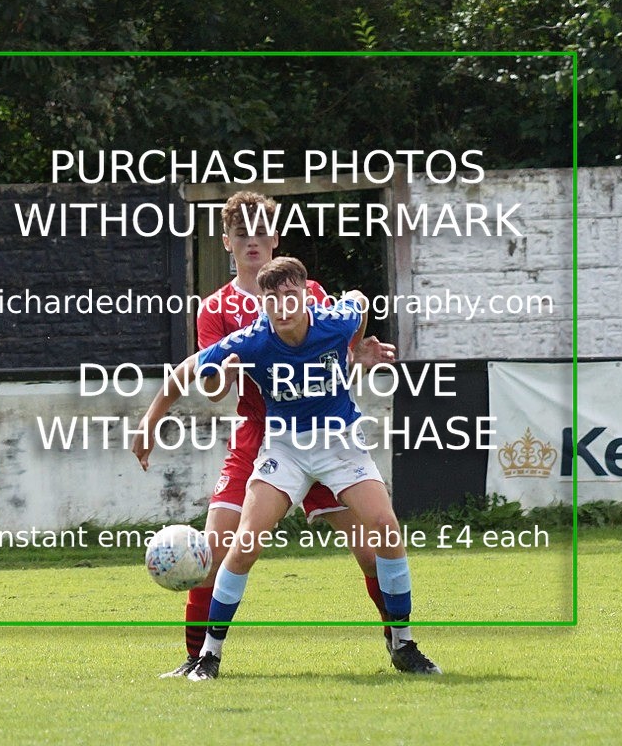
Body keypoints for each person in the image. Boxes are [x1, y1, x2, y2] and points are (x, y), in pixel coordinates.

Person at [133, 191, 397, 677]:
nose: (252, 241)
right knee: (213, 553)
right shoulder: (217, 309)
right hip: (261, 437)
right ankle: (197, 661)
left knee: (369, 550)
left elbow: (333, 359)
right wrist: (214, 383)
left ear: (275, 238)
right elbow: (211, 389)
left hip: (323, 432)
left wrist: (356, 355)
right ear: (227, 242)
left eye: (260, 232)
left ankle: (400, 642)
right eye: (241, 233)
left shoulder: (309, 292)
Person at [186, 256, 441, 681]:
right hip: (284, 450)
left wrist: (351, 350)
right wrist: (152, 421)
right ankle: (208, 655)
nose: (283, 306)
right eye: (273, 300)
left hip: (339, 444)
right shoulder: (252, 339)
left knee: (386, 529)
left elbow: (358, 300)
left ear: (306, 294)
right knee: (244, 544)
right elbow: (195, 373)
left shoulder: (333, 322)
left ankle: (403, 642)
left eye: (290, 296)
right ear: (263, 305)